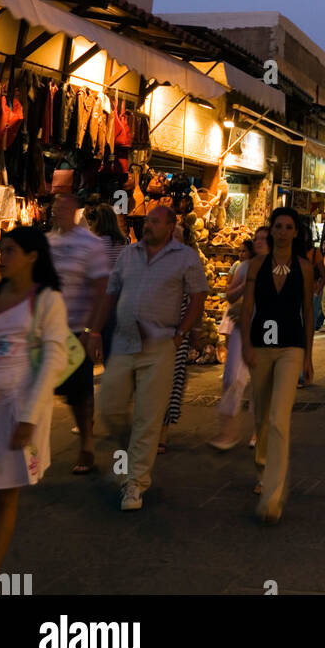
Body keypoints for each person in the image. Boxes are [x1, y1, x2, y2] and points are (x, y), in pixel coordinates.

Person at [95, 205, 208, 511]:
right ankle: (133, 454)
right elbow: (111, 292)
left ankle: (135, 483)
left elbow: (199, 294)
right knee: (109, 406)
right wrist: (95, 331)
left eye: (155, 221)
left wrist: (184, 331)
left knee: (148, 416)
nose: (148, 225)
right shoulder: (129, 253)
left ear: (171, 226)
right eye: (147, 220)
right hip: (123, 341)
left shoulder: (184, 257)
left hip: (160, 345)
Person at [0, 227, 69, 574]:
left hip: (16, 411)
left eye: (10, 251)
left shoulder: (47, 300)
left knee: (5, 495)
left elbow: (54, 358)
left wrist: (29, 417)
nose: (2, 258)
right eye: (0, 251)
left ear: (32, 256)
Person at [241, 206, 314, 525]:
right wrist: (244, 345)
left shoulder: (304, 267)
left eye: (288, 227)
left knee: (279, 419)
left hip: (290, 347)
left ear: (296, 232)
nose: (283, 232)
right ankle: (262, 468)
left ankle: (273, 495)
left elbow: (308, 314)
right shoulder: (256, 265)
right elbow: (247, 309)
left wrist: (308, 356)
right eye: (278, 226)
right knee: (261, 418)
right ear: (271, 231)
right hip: (260, 346)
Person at [47, 191, 112, 475]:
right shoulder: (48, 242)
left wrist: (92, 330)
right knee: (48, 387)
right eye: (55, 206)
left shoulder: (90, 244)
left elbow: (102, 288)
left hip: (77, 328)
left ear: (75, 209)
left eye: (63, 206)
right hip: (50, 328)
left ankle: (87, 442)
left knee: (80, 390)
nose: (57, 211)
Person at [158, 208, 202, 453]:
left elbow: (198, 298)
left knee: (172, 379)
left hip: (179, 330)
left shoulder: (190, 263)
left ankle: (162, 431)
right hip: (154, 328)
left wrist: (193, 328)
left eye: (178, 236)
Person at [210, 236, 256, 449]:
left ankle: (259, 431)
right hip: (241, 325)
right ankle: (228, 431)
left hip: (264, 329)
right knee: (232, 378)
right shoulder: (244, 267)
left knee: (261, 382)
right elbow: (230, 295)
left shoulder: (278, 266)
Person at [84, 202, 129, 361]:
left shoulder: (95, 243)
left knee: (95, 342)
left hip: (100, 301)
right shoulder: (124, 243)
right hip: (120, 301)